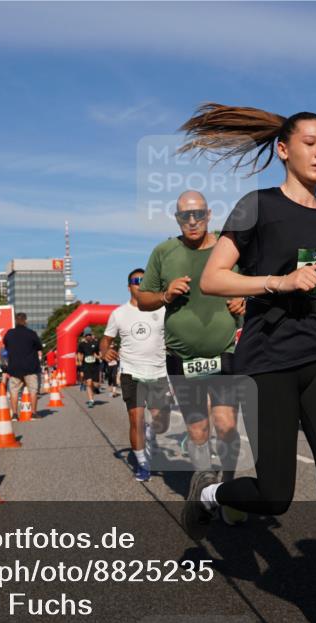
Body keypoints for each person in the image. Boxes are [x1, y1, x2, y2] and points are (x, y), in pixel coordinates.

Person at [184, 104, 316, 623]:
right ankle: (215, 493)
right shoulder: (257, 206)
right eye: (311, 142)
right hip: (266, 363)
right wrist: (278, 280)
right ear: (284, 150)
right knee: (275, 496)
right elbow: (215, 278)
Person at [137, 190, 246, 479]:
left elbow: (252, 283)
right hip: (182, 357)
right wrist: (165, 294)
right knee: (197, 429)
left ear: (209, 215)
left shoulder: (230, 246)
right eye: (186, 215)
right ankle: (205, 487)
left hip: (224, 351)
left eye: (199, 214)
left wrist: (245, 300)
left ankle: (227, 484)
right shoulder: (164, 252)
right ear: (177, 219)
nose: (193, 220)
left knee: (226, 425)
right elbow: (143, 300)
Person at [101, 269, 171, 481]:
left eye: (143, 280)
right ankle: (142, 464)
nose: (139, 283)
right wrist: (105, 351)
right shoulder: (119, 313)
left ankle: (151, 433)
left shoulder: (163, 309)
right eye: (135, 280)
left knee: (161, 422)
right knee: (136, 419)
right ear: (129, 285)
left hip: (159, 371)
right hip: (132, 372)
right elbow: (106, 339)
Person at [2, 312, 43, 418]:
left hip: (14, 367)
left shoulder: (9, 333)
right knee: (33, 390)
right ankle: (33, 412)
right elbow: (39, 347)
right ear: (25, 321)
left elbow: (5, 345)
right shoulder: (31, 333)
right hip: (30, 367)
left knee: (14, 391)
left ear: (15, 321)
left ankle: (15, 414)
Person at [76, 327, 101, 408]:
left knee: (96, 385)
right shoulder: (82, 345)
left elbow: (100, 354)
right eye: (86, 335)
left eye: (89, 334)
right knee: (89, 382)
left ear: (91, 335)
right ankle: (91, 400)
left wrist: (97, 356)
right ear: (84, 336)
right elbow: (79, 354)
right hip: (86, 366)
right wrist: (80, 361)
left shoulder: (96, 343)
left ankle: (95, 388)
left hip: (95, 366)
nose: (88, 336)